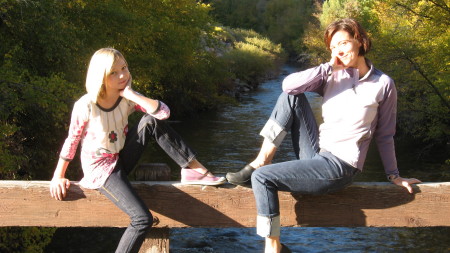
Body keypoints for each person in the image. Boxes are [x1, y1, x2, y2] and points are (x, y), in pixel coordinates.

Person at [226, 18, 421, 253]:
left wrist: (394, 175)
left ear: (360, 41)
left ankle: (272, 246)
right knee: (291, 97)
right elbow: (288, 86)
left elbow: (385, 134)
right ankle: (261, 160)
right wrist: (328, 67)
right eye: (333, 46)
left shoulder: (383, 84)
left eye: (344, 43)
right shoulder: (331, 76)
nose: (339, 50)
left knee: (262, 179)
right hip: (318, 154)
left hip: (340, 166)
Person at [49, 48, 226, 253]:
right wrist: (58, 176)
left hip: (120, 158)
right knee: (142, 219)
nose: (123, 75)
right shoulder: (86, 105)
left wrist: (133, 95)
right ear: (101, 76)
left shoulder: (127, 97)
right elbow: (72, 139)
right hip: (100, 169)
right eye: (113, 72)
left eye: (124, 68)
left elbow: (163, 113)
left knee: (150, 121)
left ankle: (194, 170)